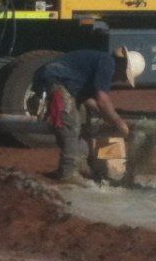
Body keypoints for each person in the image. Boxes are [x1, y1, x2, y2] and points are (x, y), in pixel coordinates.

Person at [33, 46, 146, 184]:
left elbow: (87, 98)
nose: (121, 80)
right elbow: (102, 98)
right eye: (124, 76)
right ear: (123, 65)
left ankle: (78, 164)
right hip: (56, 80)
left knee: (79, 124)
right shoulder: (108, 64)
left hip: (60, 81)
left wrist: (107, 116)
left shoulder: (102, 62)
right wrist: (117, 121)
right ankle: (67, 172)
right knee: (70, 126)